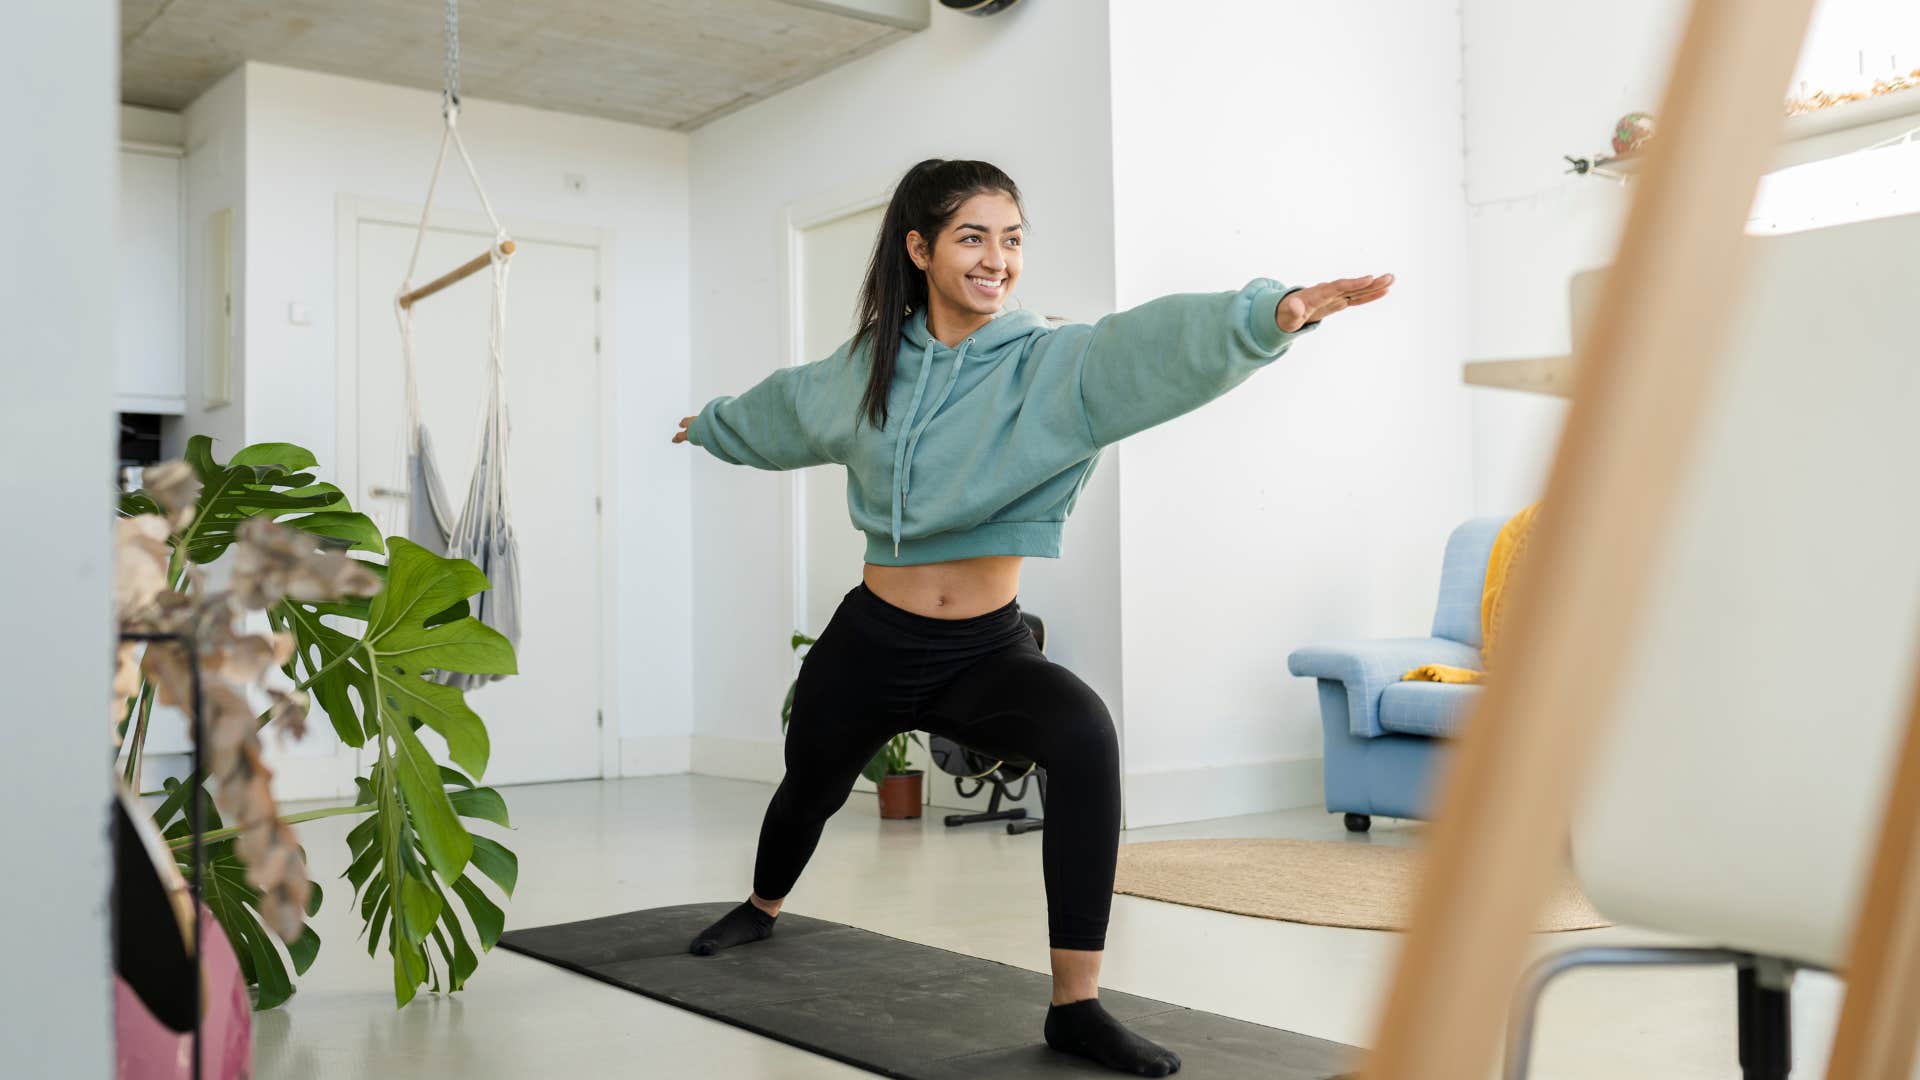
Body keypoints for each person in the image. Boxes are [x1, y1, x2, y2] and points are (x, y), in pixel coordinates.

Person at [672, 158, 1392, 1078]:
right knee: (808, 786)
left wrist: (1267, 316)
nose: (997, 259)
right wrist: (715, 425)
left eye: (1011, 240)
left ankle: (1076, 1006)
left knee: (1084, 735)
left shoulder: (1050, 362)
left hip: (982, 648)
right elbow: (785, 408)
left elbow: (1145, 348)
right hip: (870, 641)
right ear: (920, 249)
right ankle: (763, 906)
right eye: (972, 237)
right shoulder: (869, 368)